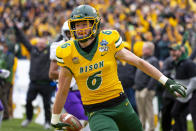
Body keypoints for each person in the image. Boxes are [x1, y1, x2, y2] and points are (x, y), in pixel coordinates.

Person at [51, 5, 186, 131]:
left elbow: (139, 62)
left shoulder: (108, 40)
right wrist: (55, 118)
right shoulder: (67, 51)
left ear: (94, 24)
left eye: (84, 24)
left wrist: (165, 81)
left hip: (121, 104)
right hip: (96, 110)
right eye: (77, 25)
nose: (80, 28)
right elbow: (62, 89)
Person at [12, 22, 55, 129]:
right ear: (37, 43)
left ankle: (47, 122)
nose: (40, 44)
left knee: (46, 105)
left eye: (43, 42)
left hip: (46, 83)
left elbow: (57, 41)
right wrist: (16, 28)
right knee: (28, 101)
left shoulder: (49, 50)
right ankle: (29, 118)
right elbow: (23, 39)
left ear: (46, 44)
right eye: (39, 42)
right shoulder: (32, 50)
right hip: (34, 82)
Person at [49, 21, 89, 129]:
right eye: (69, 33)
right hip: (67, 90)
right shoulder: (58, 46)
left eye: (74, 32)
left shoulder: (84, 46)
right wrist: (70, 73)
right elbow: (51, 73)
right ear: (64, 33)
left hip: (82, 90)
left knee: (88, 121)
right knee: (82, 121)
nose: (72, 36)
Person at [169, 44, 196, 131]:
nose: (172, 53)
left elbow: (194, 81)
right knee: (175, 113)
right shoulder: (175, 63)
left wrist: (184, 92)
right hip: (183, 96)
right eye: (171, 51)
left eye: (175, 51)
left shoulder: (189, 63)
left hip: (192, 94)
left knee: (194, 116)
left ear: (181, 52)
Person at [134, 42, 159, 131]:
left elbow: (155, 76)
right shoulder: (143, 59)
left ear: (150, 50)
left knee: (149, 110)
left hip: (147, 90)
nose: (142, 50)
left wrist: (148, 88)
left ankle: (151, 128)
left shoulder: (153, 60)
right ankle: (142, 127)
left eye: (144, 48)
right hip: (139, 89)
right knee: (141, 112)